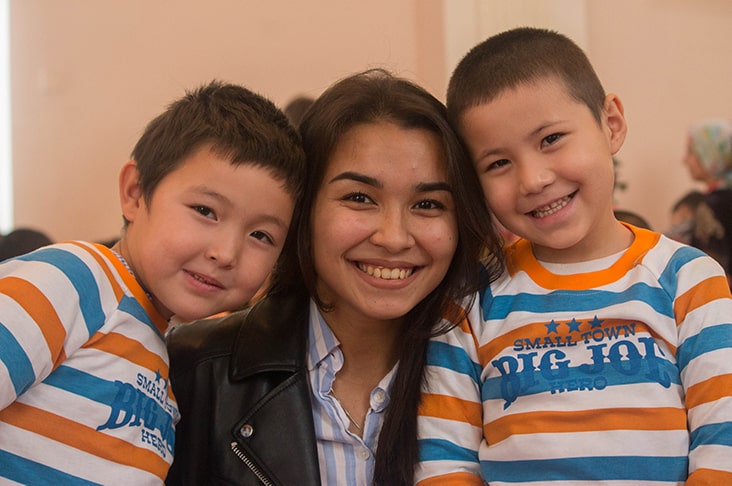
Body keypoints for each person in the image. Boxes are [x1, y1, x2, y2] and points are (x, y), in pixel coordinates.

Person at [417, 27, 732, 485]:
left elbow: (722, 443)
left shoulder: (687, 280)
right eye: (498, 163)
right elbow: (442, 460)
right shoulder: (471, 299)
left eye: (551, 139)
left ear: (612, 124)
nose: (532, 179)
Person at [165, 68, 504, 486]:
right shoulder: (192, 371)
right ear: (303, 210)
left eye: (429, 204)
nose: (394, 237)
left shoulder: (505, 369)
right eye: (359, 198)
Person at [0, 81, 305, 484]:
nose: (227, 253)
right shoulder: (73, 280)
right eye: (205, 211)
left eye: (261, 236)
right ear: (135, 192)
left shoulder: (160, 361)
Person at [682, 118, 732, 285]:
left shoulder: (715, 204)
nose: (685, 160)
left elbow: (714, 268)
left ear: (709, 154)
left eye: (691, 153)